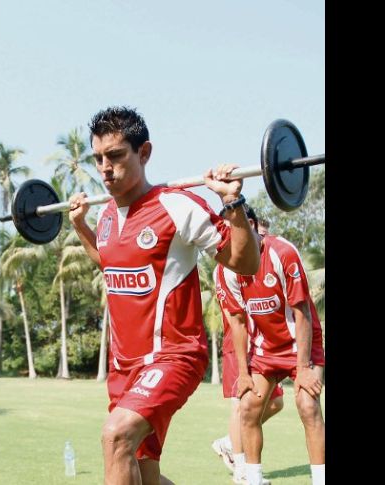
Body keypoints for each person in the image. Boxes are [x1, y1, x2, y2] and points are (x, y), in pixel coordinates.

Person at [68, 106, 260, 485]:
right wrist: (80, 227)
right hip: (124, 367)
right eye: (98, 158)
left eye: (115, 156)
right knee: (144, 475)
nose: (105, 168)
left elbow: (246, 263)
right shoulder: (106, 216)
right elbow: (111, 264)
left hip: (173, 356)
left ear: (144, 153)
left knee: (116, 436)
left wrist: (232, 203)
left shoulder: (177, 206)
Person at [220, 210, 325, 485]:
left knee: (307, 405)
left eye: (232, 231)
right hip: (265, 349)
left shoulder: (283, 252)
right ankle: (253, 479)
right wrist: (244, 373)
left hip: (301, 343)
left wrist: (303, 368)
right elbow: (238, 322)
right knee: (248, 408)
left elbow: (302, 311)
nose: (227, 239)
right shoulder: (227, 268)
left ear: (250, 225)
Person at [210, 208, 283, 485]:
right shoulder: (226, 267)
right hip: (238, 343)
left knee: (275, 403)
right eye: (260, 234)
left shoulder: (267, 260)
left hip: (262, 343)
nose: (263, 241)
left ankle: (230, 442)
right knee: (240, 405)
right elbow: (236, 316)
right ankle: (241, 469)